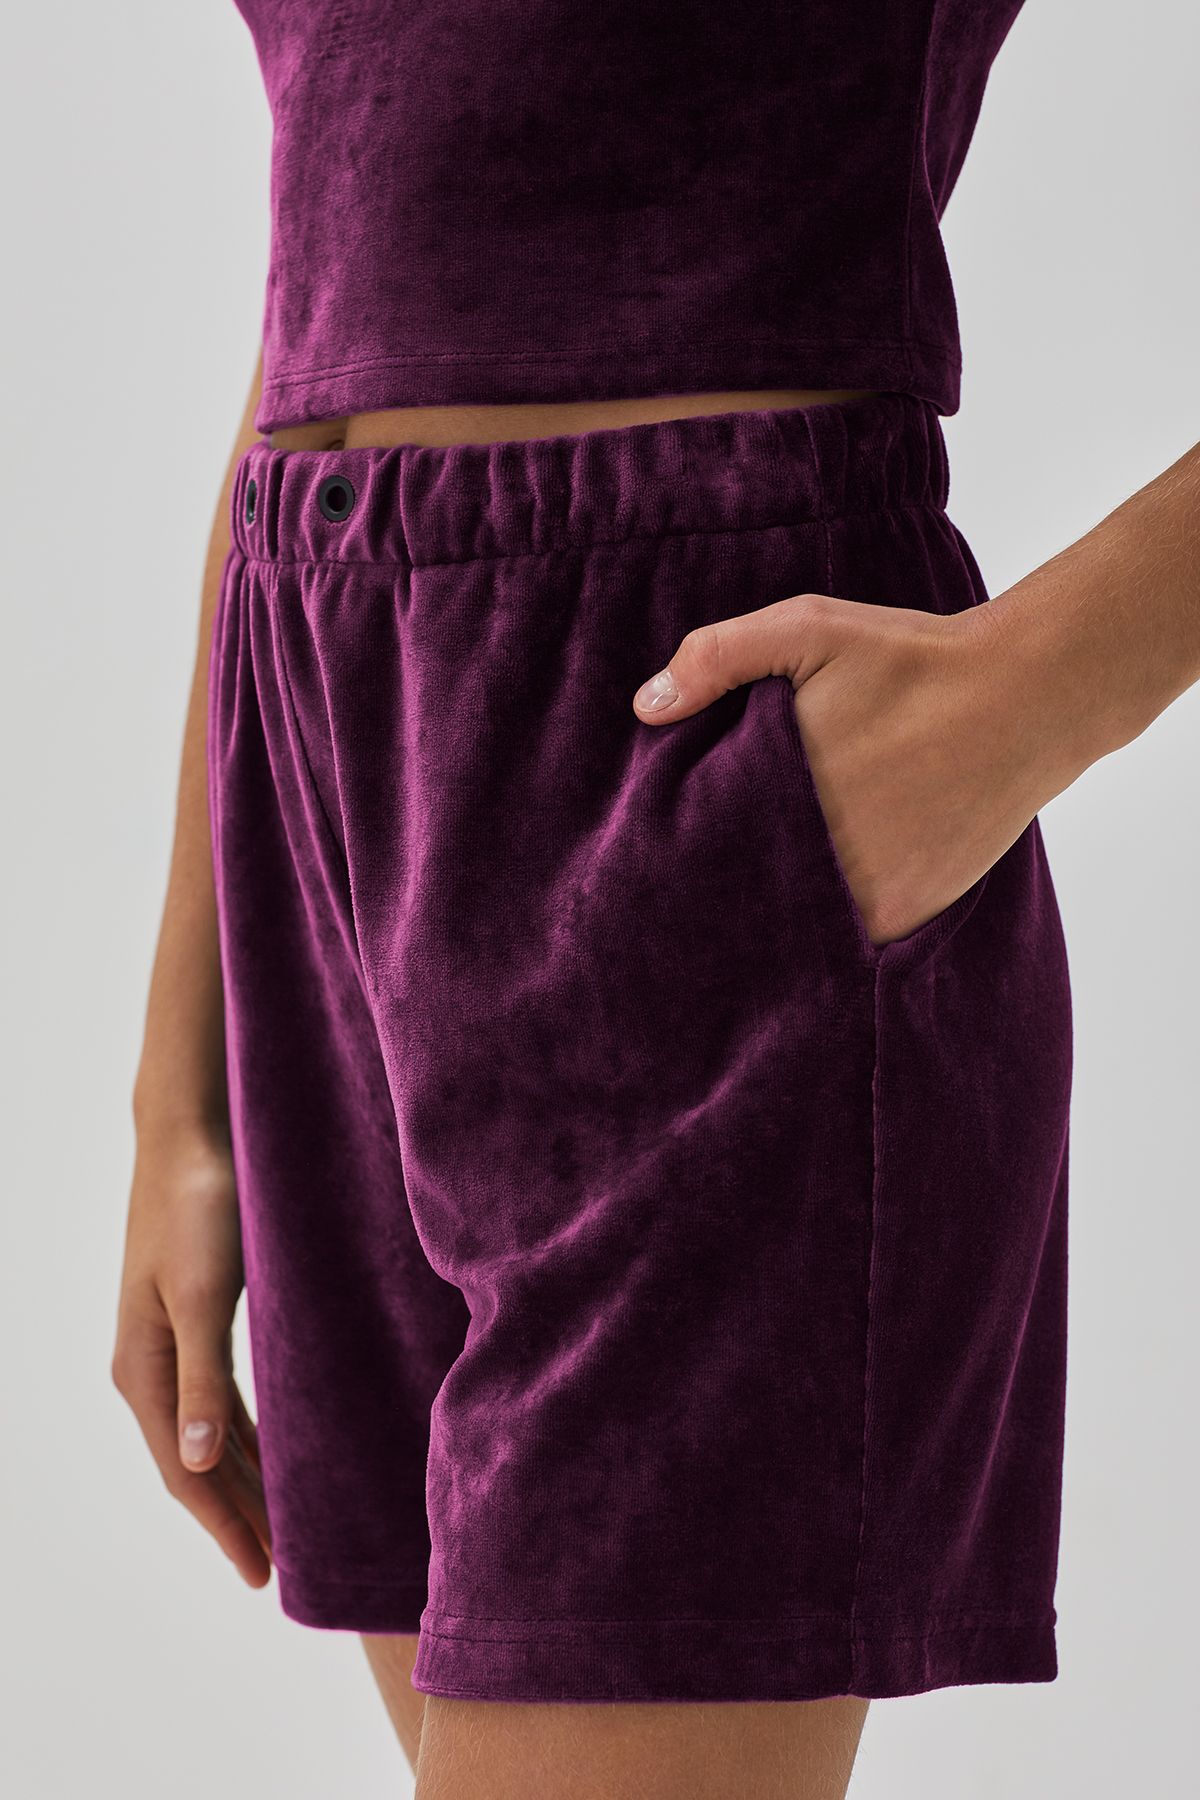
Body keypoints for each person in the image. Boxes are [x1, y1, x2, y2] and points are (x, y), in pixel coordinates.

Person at [111, 5, 1199, 1796]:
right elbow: (330, 287)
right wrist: (186, 1083)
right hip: (322, 775)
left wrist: (1029, 699)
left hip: (690, 781)